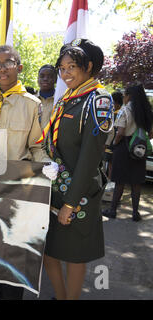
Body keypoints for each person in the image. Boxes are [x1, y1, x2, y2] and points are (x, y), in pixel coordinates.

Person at [0, 45, 57, 300]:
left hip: (17, 183)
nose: (2, 68)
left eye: (8, 63)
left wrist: (47, 163)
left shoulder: (31, 104)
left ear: (19, 67)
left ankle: (13, 293)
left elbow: (37, 145)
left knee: (12, 242)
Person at [42, 39, 113, 300]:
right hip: (56, 188)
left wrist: (70, 204)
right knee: (49, 252)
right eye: (62, 68)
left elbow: (89, 158)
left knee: (73, 256)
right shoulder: (68, 99)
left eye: (72, 66)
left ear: (89, 67)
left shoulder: (98, 101)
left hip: (78, 194)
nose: (65, 73)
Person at [102, 84, 153, 222]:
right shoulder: (146, 110)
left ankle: (112, 210)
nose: (123, 97)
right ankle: (136, 213)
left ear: (129, 96)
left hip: (124, 147)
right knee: (136, 182)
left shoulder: (126, 109)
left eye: (124, 95)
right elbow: (151, 134)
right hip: (139, 149)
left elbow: (120, 132)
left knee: (120, 180)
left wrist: (114, 144)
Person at [103, 91, 123, 179]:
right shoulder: (120, 113)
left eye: (113, 102)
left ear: (117, 103)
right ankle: (110, 181)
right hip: (116, 143)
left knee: (110, 164)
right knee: (111, 164)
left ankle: (109, 181)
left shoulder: (115, 114)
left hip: (112, 143)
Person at [36, 64, 57, 130]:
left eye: (50, 76)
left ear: (55, 79)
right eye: (42, 76)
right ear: (38, 79)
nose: (45, 79)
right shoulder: (31, 100)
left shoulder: (61, 100)